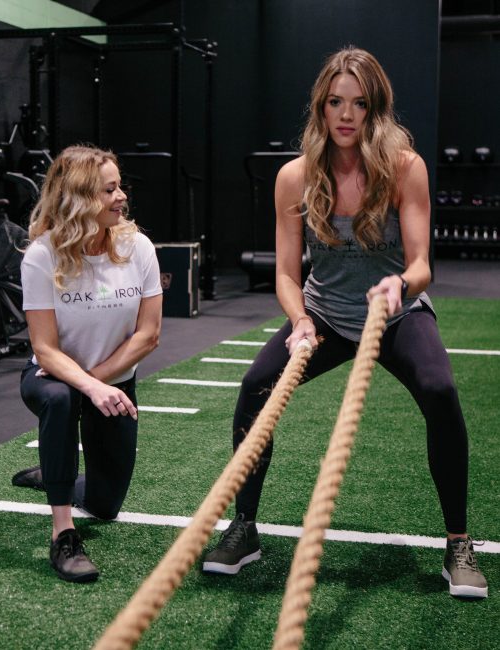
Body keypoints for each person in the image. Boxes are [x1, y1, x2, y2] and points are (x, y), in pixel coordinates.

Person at [202, 47, 487, 599]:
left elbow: (422, 264)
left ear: (376, 108)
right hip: (326, 315)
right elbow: (286, 274)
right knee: (256, 386)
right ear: (321, 107)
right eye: (335, 102)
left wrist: (399, 285)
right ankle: (244, 525)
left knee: (440, 390)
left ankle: (458, 543)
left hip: (394, 312)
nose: (346, 114)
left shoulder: (405, 167)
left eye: (358, 103)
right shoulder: (296, 177)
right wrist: (300, 319)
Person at [16, 144, 162, 583]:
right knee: (61, 400)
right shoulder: (42, 255)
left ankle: (54, 469)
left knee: (105, 505)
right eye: (108, 190)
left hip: (111, 384)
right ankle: (63, 533)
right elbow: (45, 350)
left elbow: (148, 335)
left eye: (120, 188)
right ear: (79, 199)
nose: (121, 198)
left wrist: (96, 385)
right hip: (51, 378)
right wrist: (86, 387)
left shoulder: (138, 248)